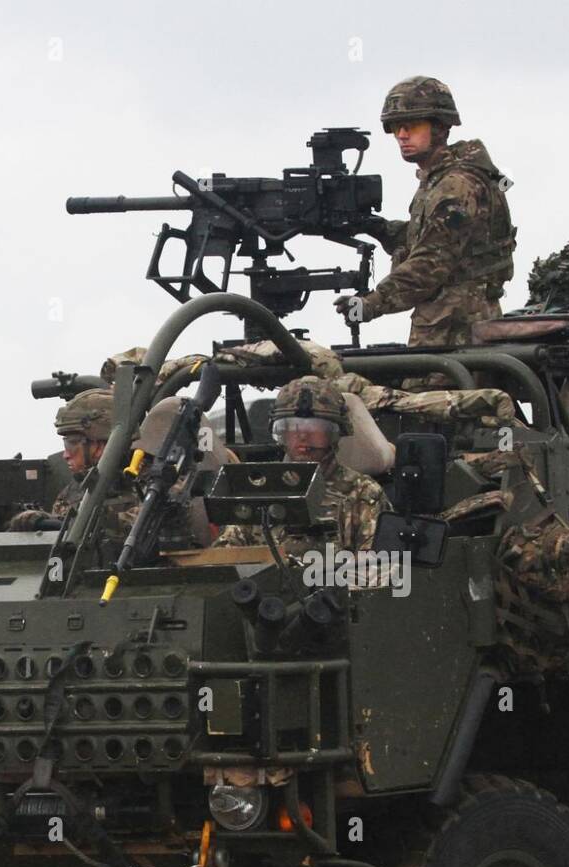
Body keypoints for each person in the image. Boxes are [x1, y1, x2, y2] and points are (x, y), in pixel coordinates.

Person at [334, 76, 516, 347]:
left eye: (412, 125)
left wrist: (370, 303)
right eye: (396, 127)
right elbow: (434, 239)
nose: (402, 135)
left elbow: (430, 263)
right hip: (450, 326)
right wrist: (379, 228)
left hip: (456, 332)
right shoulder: (442, 178)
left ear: (440, 127)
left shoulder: (455, 186)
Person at [215, 377, 389, 556]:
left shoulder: (363, 493)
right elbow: (224, 560)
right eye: (292, 426)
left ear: (334, 433)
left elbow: (377, 570)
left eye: (315, 427)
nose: (303, 435)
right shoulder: (259, 490)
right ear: (281, 433)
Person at [7, 389, 132, 534]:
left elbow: (133, 525)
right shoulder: (75, 490)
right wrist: (40, 520)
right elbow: (60, 551)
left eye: (71, 444)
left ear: (99, 446)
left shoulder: (144, 484)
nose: (65, 455)